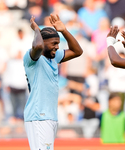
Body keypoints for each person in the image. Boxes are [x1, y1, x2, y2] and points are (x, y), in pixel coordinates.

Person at [23, 14, 83, 150]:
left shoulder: (53, 57)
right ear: (43, 42)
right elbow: (38, 46)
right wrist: (37, 30)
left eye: (58, 43)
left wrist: (64, 31)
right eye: (54, 43)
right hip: (39, 116)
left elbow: (77, 51)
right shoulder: (32, 58)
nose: (57, 47)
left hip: (50, 116)